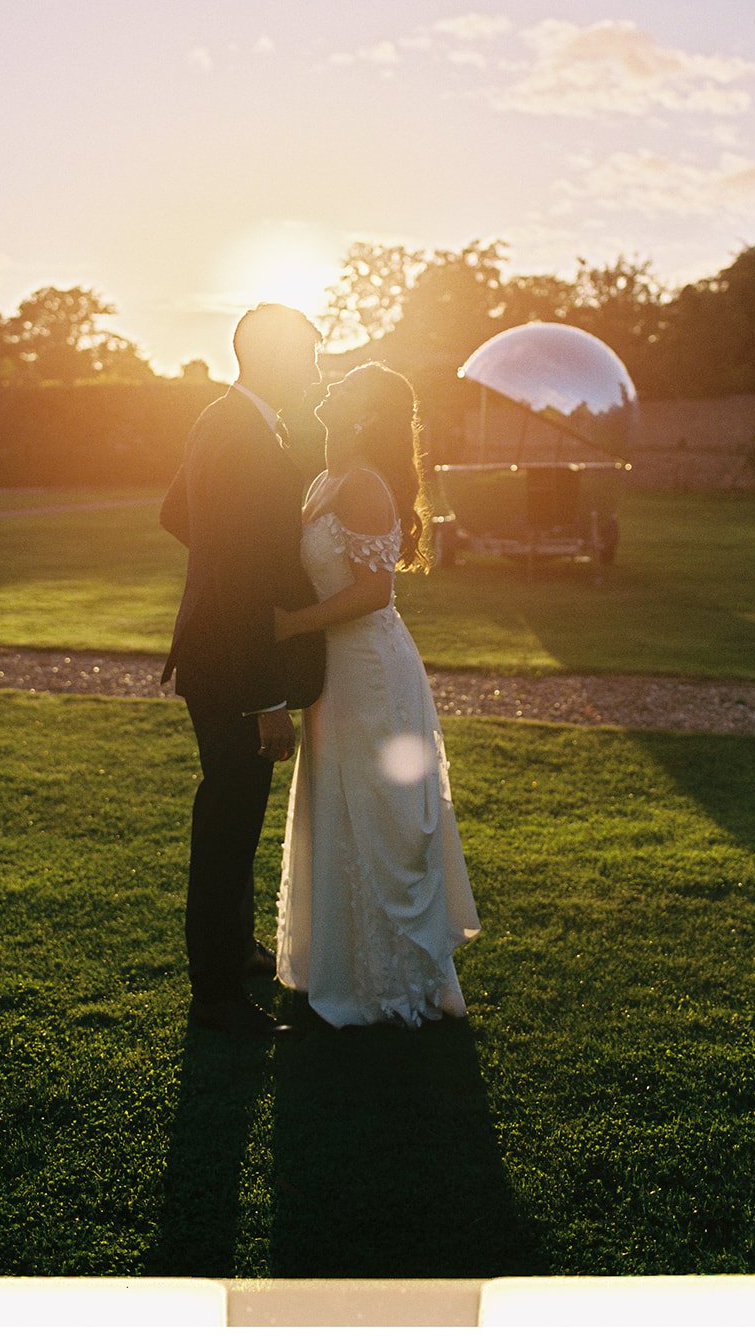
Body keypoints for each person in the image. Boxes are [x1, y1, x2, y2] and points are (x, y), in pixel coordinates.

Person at [274, 362, 480, 1028]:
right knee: (337, 799)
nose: (327, 389)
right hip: (333, 669)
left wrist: (288, 626)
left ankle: (389, 978)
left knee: (378, 810)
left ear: (363, 415)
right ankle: (339, 960)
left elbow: (373, 592)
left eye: (344, 388)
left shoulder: (362, 485)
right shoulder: (324, 477)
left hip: (367, 666)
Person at [160, 304, 326, 1039]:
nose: (316, 370)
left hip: (217, 650)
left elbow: (175, 511)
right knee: (226, 823)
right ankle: (216, 996)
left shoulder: (227, 418)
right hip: (230, 664)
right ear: (275, 357)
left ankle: (235, 948)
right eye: (309, 356)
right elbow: (234, 572)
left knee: (238, 814)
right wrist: (266, 698)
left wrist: (226, 549)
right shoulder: (240, 431)